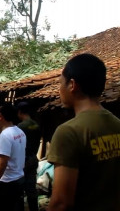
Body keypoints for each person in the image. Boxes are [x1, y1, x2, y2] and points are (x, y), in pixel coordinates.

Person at [47, 53, 120, 211]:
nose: (59, 89)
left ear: (72, 85)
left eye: (60, 83)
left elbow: (61, 203)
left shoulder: (68, 132)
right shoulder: (117, 124)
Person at [17, 102, 41, 211]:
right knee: (31, 190)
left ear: (19, 112)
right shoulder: (36, 125)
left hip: (22, 162)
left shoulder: (20, 127)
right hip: (33, 160)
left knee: (19, 191)